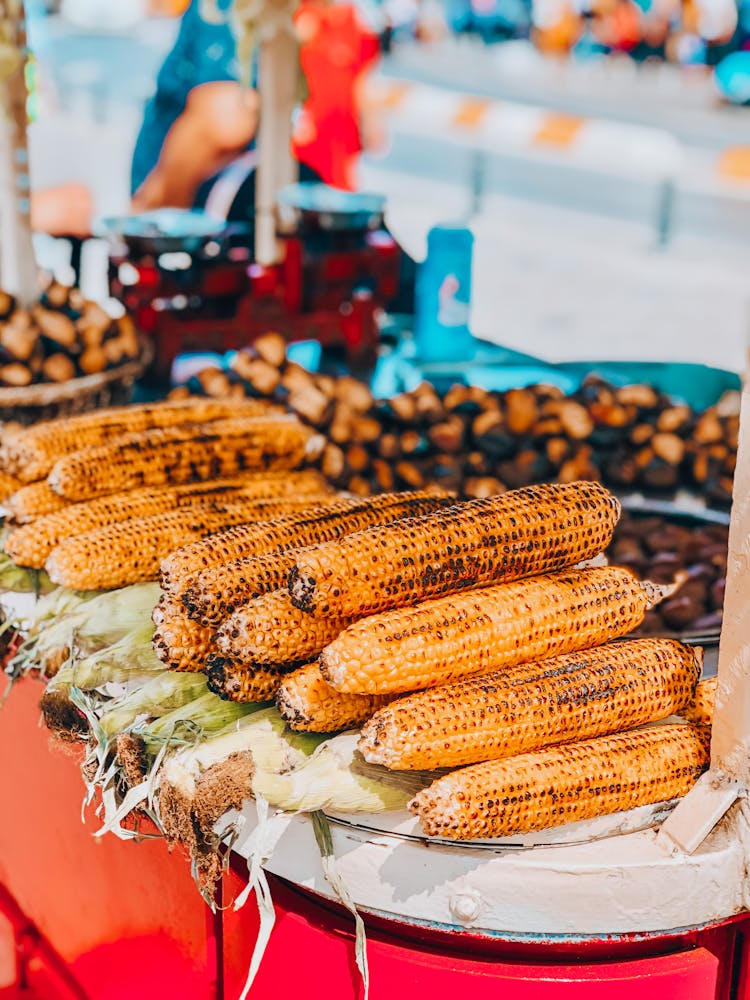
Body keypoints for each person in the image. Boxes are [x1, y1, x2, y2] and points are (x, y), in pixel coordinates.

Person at [130, 0, 382, 220]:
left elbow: (369, 127)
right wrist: (154, 204)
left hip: (312, 192)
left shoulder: (348, 20)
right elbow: (226, 115)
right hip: (215, 201)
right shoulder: (232, 10)